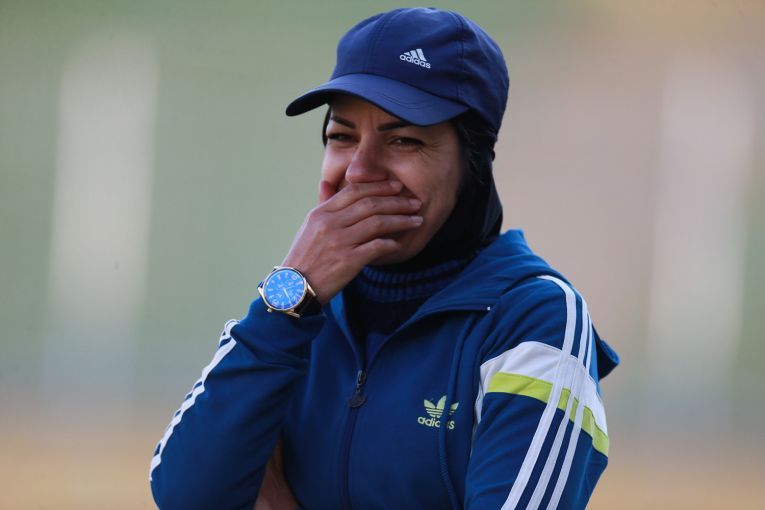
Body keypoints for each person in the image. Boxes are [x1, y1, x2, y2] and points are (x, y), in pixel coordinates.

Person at [149, 7, 619, 510]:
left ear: (473, 163)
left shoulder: (536, 317)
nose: (359, 171)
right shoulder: (298, 310)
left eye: (403, 140)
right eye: (341, 136)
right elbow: (184, 496)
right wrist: (289, 295)